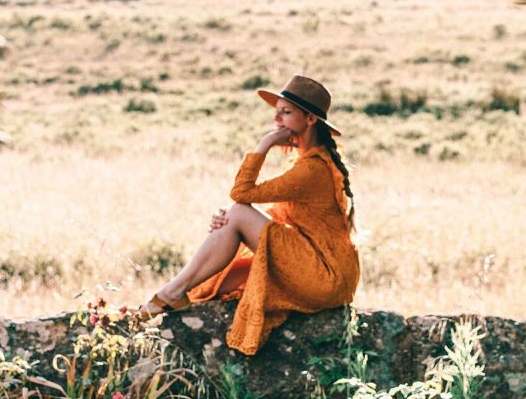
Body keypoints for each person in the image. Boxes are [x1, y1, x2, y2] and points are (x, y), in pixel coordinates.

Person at [139, 74, 360, 355]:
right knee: (224, 273)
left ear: (310, 120)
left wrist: (263, 145)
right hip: (328, 273)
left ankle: (171, 293)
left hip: (325, 276)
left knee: (239, 212)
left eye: (286, 112)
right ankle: (176, 293)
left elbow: (241, 194)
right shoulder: (308, 161)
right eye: (276, 112)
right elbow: (284, 217)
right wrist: (231, 224)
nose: (276, 120)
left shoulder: (312, 168)